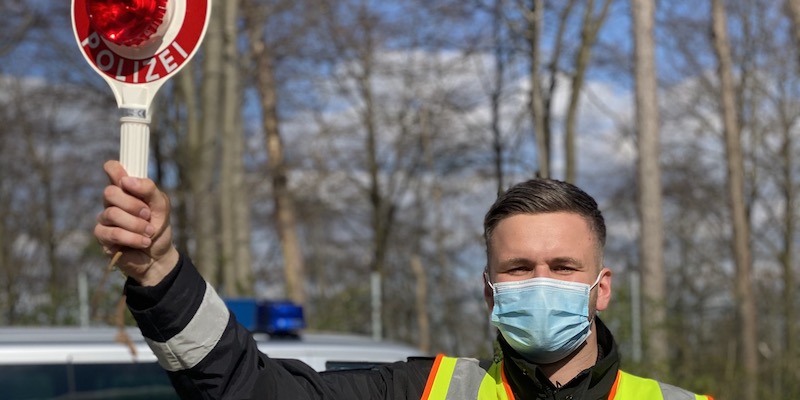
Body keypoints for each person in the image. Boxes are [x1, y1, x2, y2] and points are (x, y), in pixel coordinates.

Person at [94, 160, 714, 399]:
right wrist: (160, 272)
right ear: (490, 289)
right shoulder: (422, 391)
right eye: (519, 269)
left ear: (600, 288)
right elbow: (249, 392)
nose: (540, 281)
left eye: (563, 268)